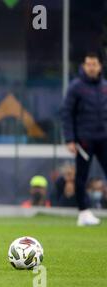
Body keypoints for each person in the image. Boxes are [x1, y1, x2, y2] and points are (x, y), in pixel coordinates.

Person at [61, 52, 105, 226]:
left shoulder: (104, 86)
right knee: (82, 176)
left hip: (104, 138)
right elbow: (66, 113)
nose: (92, 67)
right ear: (84, 66)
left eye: (94, 64)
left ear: (100, 66)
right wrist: (70, 139)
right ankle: (84, 212)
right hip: (84, 140)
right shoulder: (76, 87)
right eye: (89, 64)